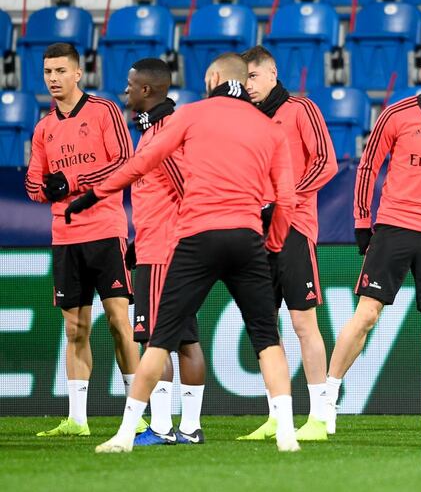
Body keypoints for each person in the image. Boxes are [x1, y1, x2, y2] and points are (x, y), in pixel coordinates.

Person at [65, 53, 301, 453]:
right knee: (267, 340)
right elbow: (287, 200)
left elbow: (142, 163)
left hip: (197, 237)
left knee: (159, 341)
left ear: (212, 78)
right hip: (246, 239)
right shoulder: (269, 127)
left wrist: (92, 195)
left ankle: (125, 435)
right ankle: (287, 434)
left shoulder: (190, 116)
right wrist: (273, 244)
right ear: (244, 82)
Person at [323, 42, 421, 434]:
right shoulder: (395, 114)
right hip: (394, 225)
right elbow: (367, 168)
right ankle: (327, 401)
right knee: (366, 315)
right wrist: (363, 222)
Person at [24, 42, 142, 437]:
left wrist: (72, 181)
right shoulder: (44, 128)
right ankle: (77, 419)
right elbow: (32, 185)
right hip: (65, 236)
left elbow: (125, 162)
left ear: (78, 73)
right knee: (75, 328)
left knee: (119, 323)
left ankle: (136, 412)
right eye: (48, 72)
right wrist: (50, 188)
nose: (53, 79)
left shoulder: (104, 110)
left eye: (60, 71)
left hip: (105, 231)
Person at [237, 46, 338, 442]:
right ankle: (277, 415)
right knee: (265, 325)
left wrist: (284, 199)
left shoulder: (300, 109)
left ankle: (318, 416)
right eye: (244, 80)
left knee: (302, 321)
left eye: (254, 78)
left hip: (293, 226)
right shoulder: (243, 117)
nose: (248, 87)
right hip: (253, 229)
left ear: (272, 72)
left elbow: (326, 163)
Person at [121, 58, 208, 446]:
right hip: (161, 244)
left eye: (130, 84)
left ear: (146, 90)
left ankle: (161, 428)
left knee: (153, 341)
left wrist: (162, 238)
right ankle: (189, 428)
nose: (126, 91)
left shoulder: (162, 135)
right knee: (187, 339)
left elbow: (187, 188)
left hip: (163, 250)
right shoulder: (160, 129)